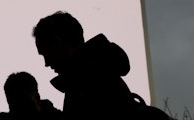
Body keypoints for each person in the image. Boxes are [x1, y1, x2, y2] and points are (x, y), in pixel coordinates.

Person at [31, 11, 170, 120]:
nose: (46, 63)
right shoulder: (94, 74)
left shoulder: (87, 82)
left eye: (45, 53)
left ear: (58, 42)